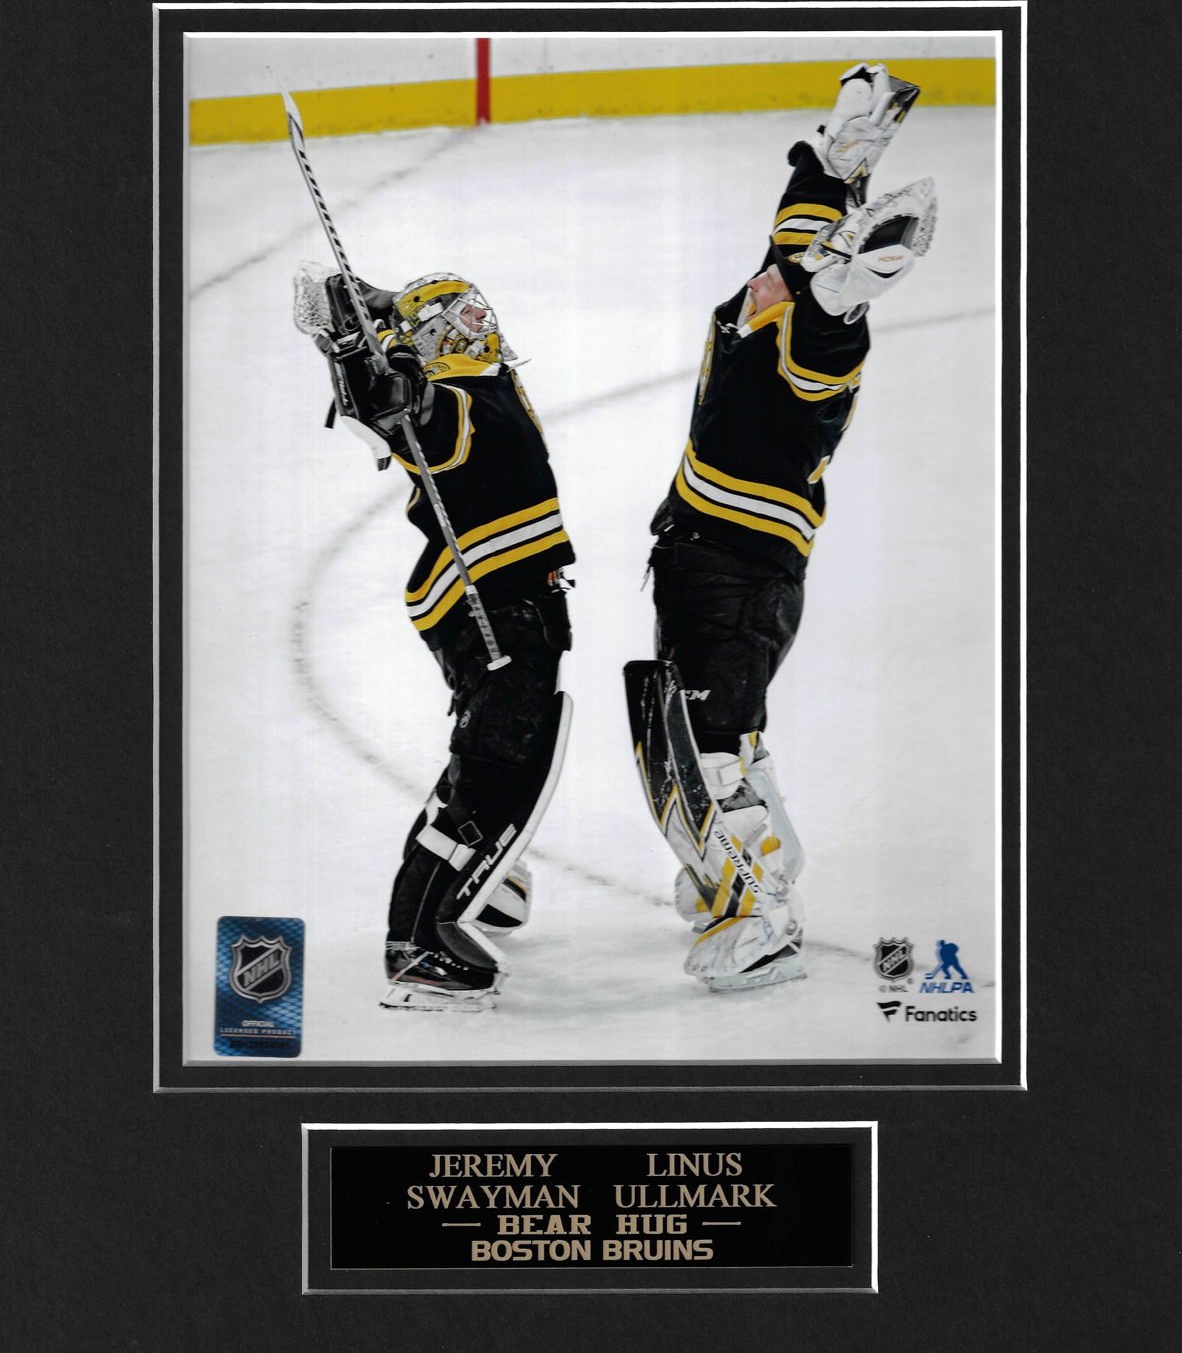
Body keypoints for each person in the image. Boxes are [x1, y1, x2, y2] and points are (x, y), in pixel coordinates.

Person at [637, 64, 938, 993]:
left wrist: (852, 281)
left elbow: (834, 316)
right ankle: (744, 865)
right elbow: (798, 230)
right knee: (717, 733)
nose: (772, 271)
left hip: (741, 572)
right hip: (705, 556)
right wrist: (843, 156)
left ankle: (763, 917)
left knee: (708, 743)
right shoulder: (767, 299)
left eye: (798, 272)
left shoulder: (809, 344)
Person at [293, 267, 575, 1012]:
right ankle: (418, 943)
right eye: (462, 317)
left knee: (502, 761)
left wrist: (377, 301)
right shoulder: (449, 405)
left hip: (511, 606)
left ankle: (489, 886)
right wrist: (351, 345)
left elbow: (406, 372)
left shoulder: (485, 384)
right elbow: (389, 408)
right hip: (495, 610)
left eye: (479, 308)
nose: (481, 321)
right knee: (488, 775)